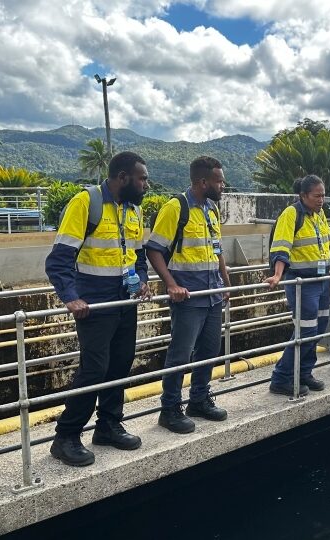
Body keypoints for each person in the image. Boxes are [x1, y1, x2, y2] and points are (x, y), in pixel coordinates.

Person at [45, 151, 151, 467]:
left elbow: (139, 256)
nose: (146, 185)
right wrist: (70, 297)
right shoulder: (86, 203)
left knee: (120, 363)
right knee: (95, 368)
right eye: (142, 178)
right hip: (95, 306)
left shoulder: (134, 210)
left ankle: (107, 425)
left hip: (125, 303)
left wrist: (143, 279)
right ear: (123, 177)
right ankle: (65, 436)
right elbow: (58, 260)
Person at [146, 156, 231, 433]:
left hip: (212, 293)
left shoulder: (211, 210)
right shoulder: (176, 208)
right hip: (189, 298)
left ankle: (199, 399)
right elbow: (154, 249)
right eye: (218, 181)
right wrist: (171, 284)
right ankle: (169, 409)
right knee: (180, 354)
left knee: (208, 350)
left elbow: (215, 249)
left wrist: (225, 281)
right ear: (202, 182)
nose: (222, 185)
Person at [264, 175, 330, 395]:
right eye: (317, 196)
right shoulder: (292, 214)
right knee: (305, 330)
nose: (321, 199)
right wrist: (277, 275)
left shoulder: (320, 214)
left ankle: (304, 372)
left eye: (323, 195)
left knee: (319, 327)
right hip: (302, 282)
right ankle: (281, 378)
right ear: (303, 195)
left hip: (321, 281)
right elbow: (281, 247)